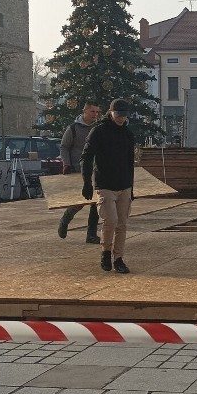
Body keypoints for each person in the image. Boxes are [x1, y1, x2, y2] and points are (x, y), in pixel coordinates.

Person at [80, 98, 135, 273]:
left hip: (124, 184)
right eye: (118, 115)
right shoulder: (99, 131)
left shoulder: (127, 133)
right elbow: (87, 157)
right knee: (110, 220)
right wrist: (87, 182)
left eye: (124, 116)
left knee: (122, 223)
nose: (121, 119)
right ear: (110, 112)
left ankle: (118, 258)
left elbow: (129, 162)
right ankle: (105, 252)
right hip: (105, 184)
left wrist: (131, 188)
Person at [58, 101, 102, 243]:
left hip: (96, 170)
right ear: (85, 112)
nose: (95, 114)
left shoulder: (99, 128)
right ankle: (65, 221)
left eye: (97, 112)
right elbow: (64, 147)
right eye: (92, 112)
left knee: (96, 204)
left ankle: (91, 235)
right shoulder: (73, 129)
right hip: (78, 170)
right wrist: (66, 164)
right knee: (79, 202)